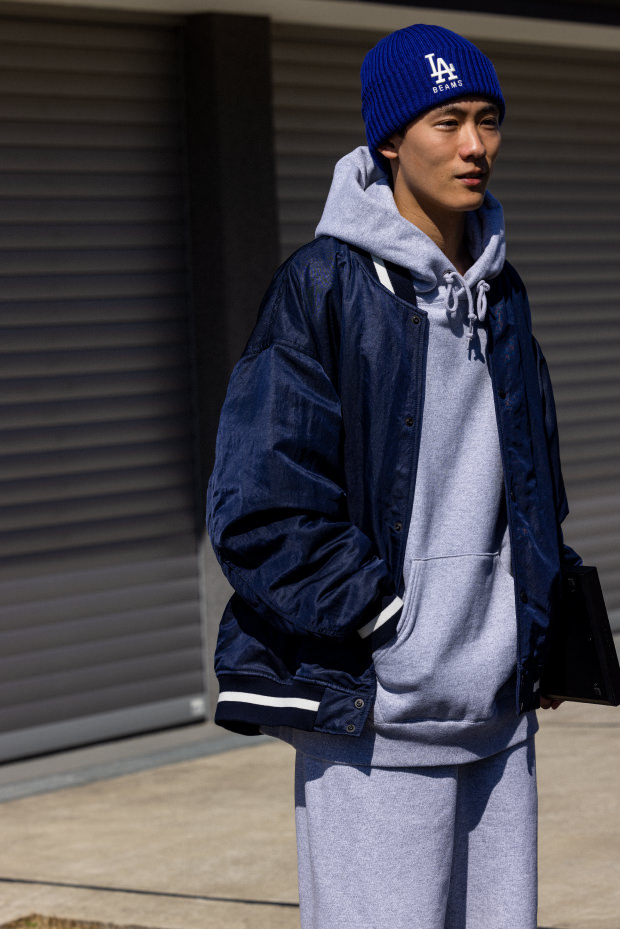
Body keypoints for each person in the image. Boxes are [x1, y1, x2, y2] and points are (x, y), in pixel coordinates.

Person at [207, 23, 581, 929]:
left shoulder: (504, 295)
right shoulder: (322, 289)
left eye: (488, 120)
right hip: (381, 715)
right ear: (389, 141)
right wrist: (387, 622)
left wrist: (542, 619)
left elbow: (533, 483)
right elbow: (260, 505)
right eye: (447, 122)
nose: (474, 145)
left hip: (499, 715)